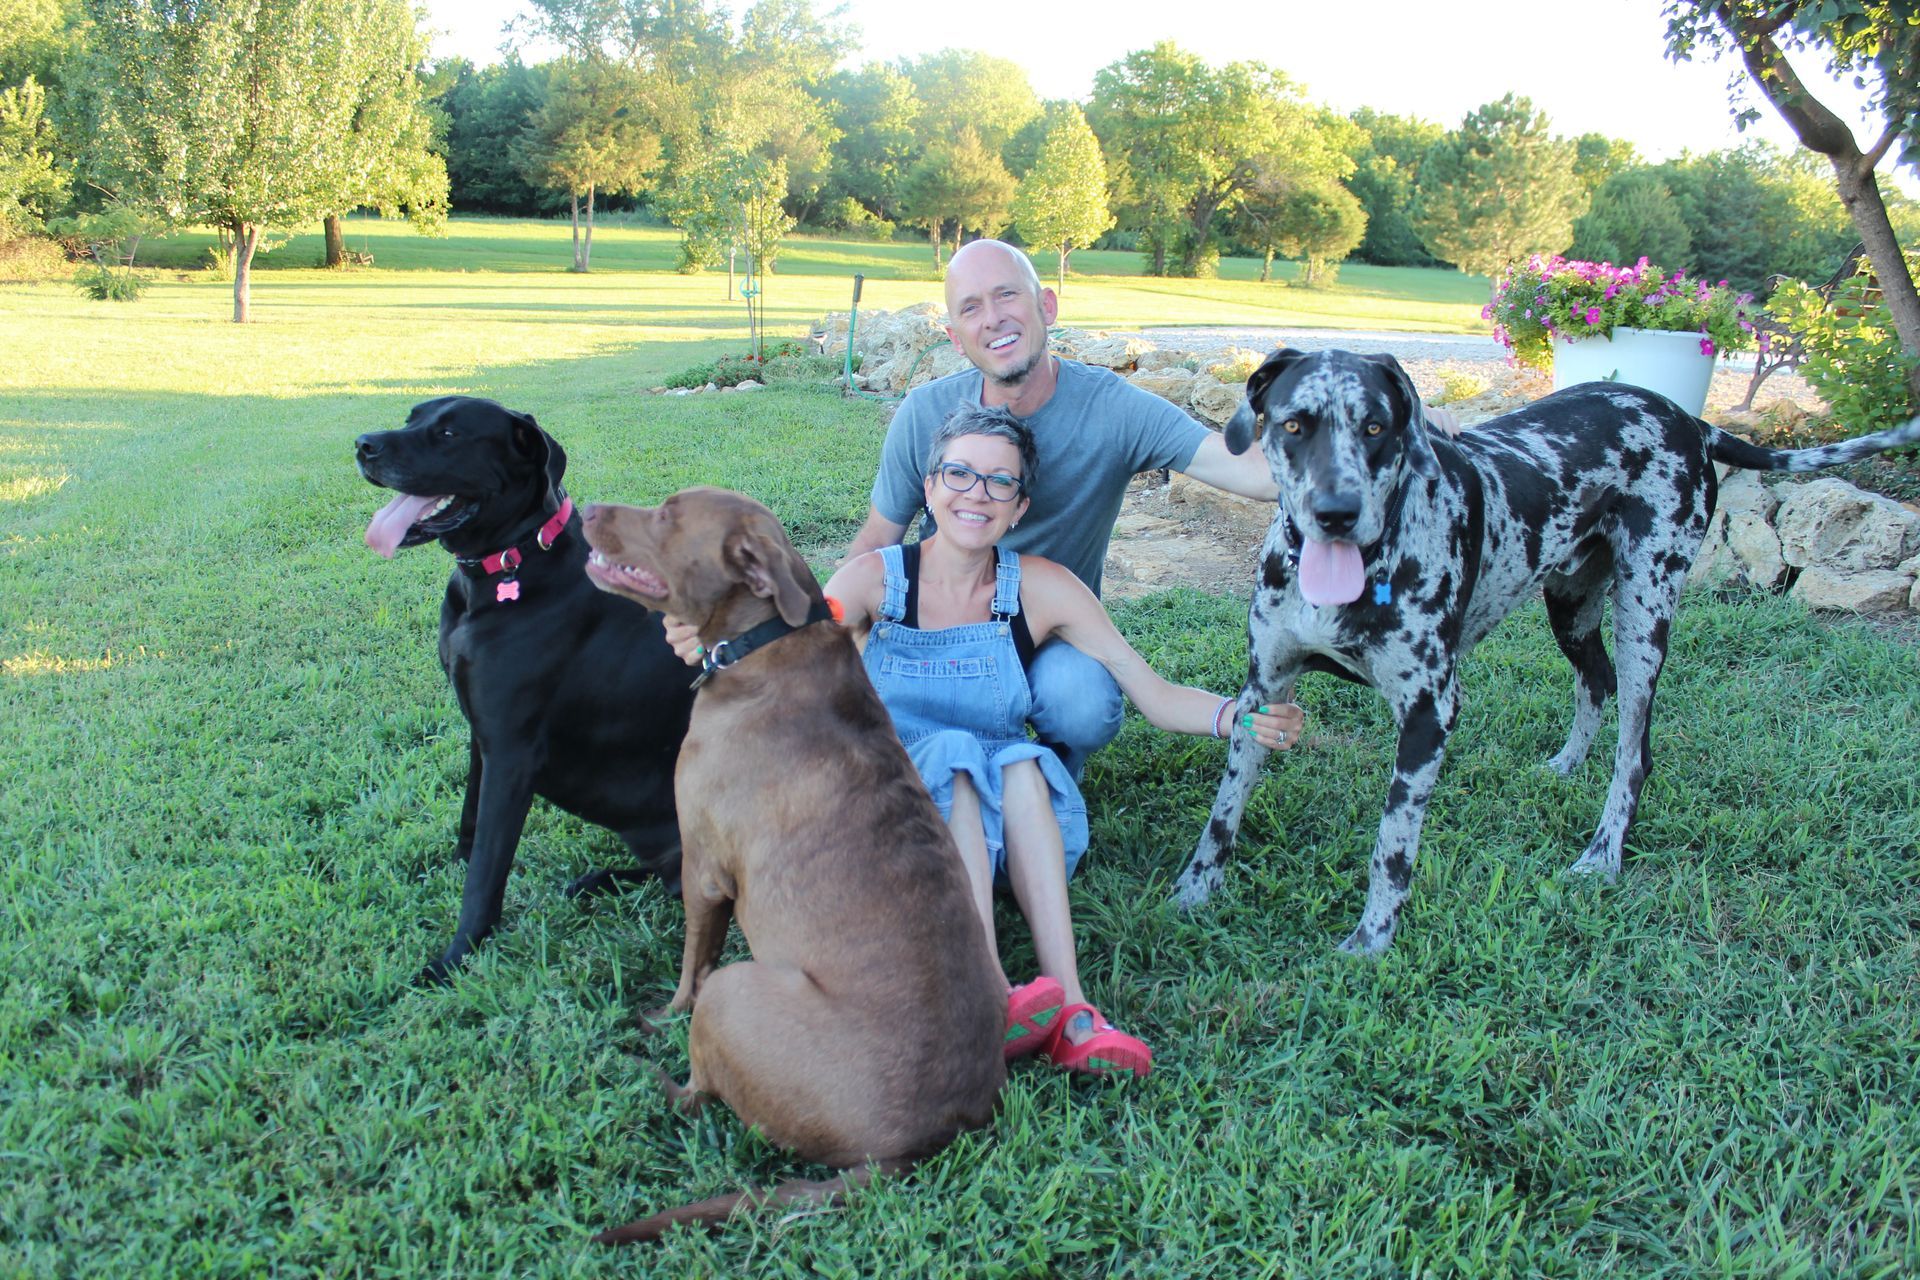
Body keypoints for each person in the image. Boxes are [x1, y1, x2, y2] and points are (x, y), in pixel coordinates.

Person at [820, 406, 1305, 1077]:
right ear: (929, 488)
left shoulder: (1040, 588)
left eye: (999, 483)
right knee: (961, 759)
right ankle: (987, 996)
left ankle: (1072, 1012)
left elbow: (1153, 693)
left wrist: (1239, 716)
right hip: (892, 820)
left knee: (1020, 761)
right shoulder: (871, 582)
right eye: (959, 473)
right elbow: (792, 656)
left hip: (1001, 831)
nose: (976, 494)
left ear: (1019, 508)